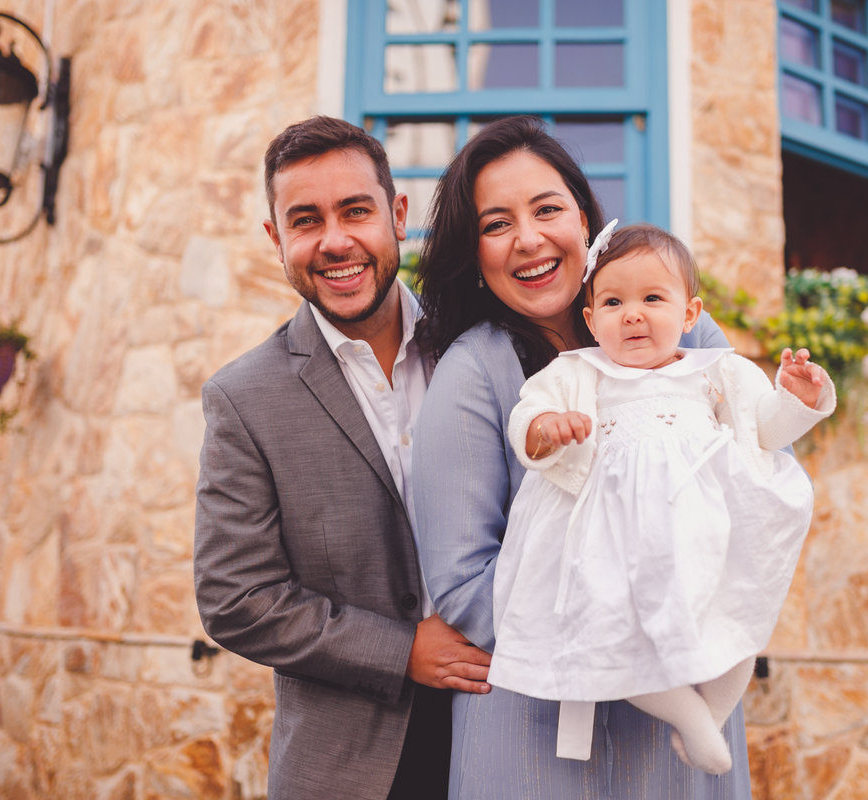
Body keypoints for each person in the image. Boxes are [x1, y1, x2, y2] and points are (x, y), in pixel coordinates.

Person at [411, 115, 749, 798]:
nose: (529, 239)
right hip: (539, 728)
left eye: (547, 209)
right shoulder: (478, 372)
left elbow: (756, 462)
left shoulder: (683, 329)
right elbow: (461, 580)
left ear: (585, 216)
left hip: (683, 720)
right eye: (496, 224)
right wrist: (617, 631)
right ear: (474, 251)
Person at [193, 116, 491, 800]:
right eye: (306, 220)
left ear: (398, 215)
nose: (335, 241)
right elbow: (235, 597)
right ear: (277, 240)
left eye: (356, 210)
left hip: (501, 736)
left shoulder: (483, 351)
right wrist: (402, 650)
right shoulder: (243, 399)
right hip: (348, 771)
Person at [491, 223, 835, 775]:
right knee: (619, 641)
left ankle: (714, 710)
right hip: (613, 541)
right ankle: (690, 718)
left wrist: (798, 400)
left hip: (700, 533)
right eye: (613, 301)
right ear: (590, 319)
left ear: (690, 313)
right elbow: (526, 418)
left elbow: (765, 432)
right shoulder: (579, 372)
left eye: (653, 298)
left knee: (740, 621)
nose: (632, 313)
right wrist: (548, 427)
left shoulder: (716, 372)